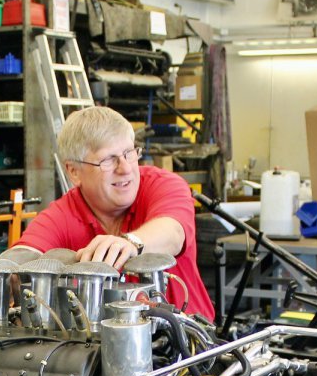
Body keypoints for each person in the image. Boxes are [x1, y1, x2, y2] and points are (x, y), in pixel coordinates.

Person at [15, 106, 215, 321]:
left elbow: (173, 232)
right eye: (108, 160)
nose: (126, 168)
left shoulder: (164, 185)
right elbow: (25, 255)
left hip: (189, 344)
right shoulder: (62, 215)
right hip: (101, 348)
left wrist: (131, 243)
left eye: (129, 153)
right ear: (74, 172)